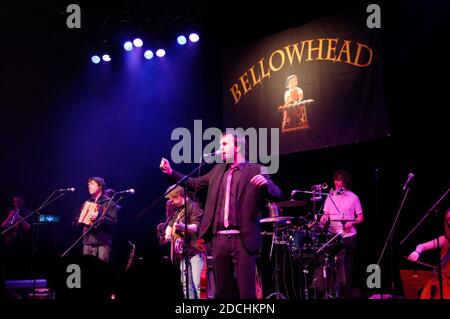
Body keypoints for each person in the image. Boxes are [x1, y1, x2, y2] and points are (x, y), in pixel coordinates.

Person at [160, 131, 282, 299]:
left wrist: (266, 184)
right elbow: (194, 183)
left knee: (246, 293)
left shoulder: (255, 169)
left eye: (224, 144)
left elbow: (277, 194)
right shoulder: (218, 171)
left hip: (243, 240)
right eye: (220, 145)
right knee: (223, 293)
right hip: (220, 241)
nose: (220, 149)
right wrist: (170, 172)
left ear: (237, 146)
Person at [319, 170, 364, 298]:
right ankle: (331, 293)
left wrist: (352, 223)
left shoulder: (353, 197)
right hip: (333, 235)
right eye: (335, 180)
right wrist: (323, 219)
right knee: (330, 265)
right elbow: (326, 214)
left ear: (345, 182)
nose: (337, 182)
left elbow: (361, 217)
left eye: (340, 180)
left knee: (347, 267)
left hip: (349, 236)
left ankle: (347, 295)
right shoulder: (330, 196)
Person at [161, 185, 204, 299]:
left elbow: (196, 227)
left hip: (194, 250)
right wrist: (167, 234)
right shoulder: (178, 210)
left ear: (179, 196)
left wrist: (182, 226)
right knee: (185, 285)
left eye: (173, 199)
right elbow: (170, 224)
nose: (172, 202)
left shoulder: (194, 207)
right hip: (183, 253)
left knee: (198, 284)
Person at [407, 208, 449, 298]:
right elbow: (422, 246)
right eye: (448, 220)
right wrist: (417, 252)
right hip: (439, 281)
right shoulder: (445, 239)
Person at [77, 177, 118, 263]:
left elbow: (113, 222)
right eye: (88, 185)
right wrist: (79, 220)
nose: (89, 186)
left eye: (92, 184)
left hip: (102, 241)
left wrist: (98, 216)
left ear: (100, 186)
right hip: (87, 241)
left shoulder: (109, 202)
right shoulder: (86, 203)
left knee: (101, 272)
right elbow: (80, 224)